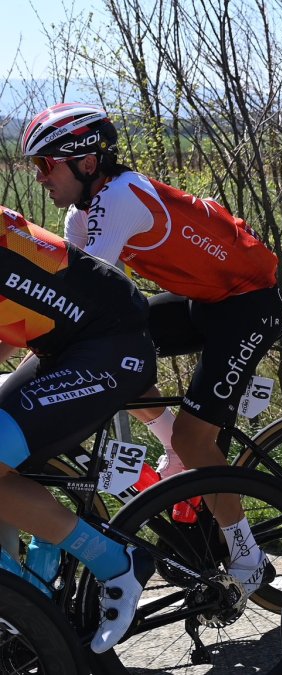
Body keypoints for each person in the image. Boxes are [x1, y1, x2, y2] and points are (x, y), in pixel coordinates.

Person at [23, 103, 282, 597]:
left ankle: (247, 554)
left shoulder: (117, 199)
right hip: (206, 300)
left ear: (86, 163)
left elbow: (82, 300)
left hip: (248, 306)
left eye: (45, 165)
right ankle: (170, 443)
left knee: (194, 438)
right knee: (116, 355)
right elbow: (65, 294)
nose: (40, 180)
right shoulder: (86, 212)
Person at [0, 206, 157, 652]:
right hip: (67, 348)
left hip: (110, 349)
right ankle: (35, 587)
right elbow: (15, 322)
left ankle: (116, 563)